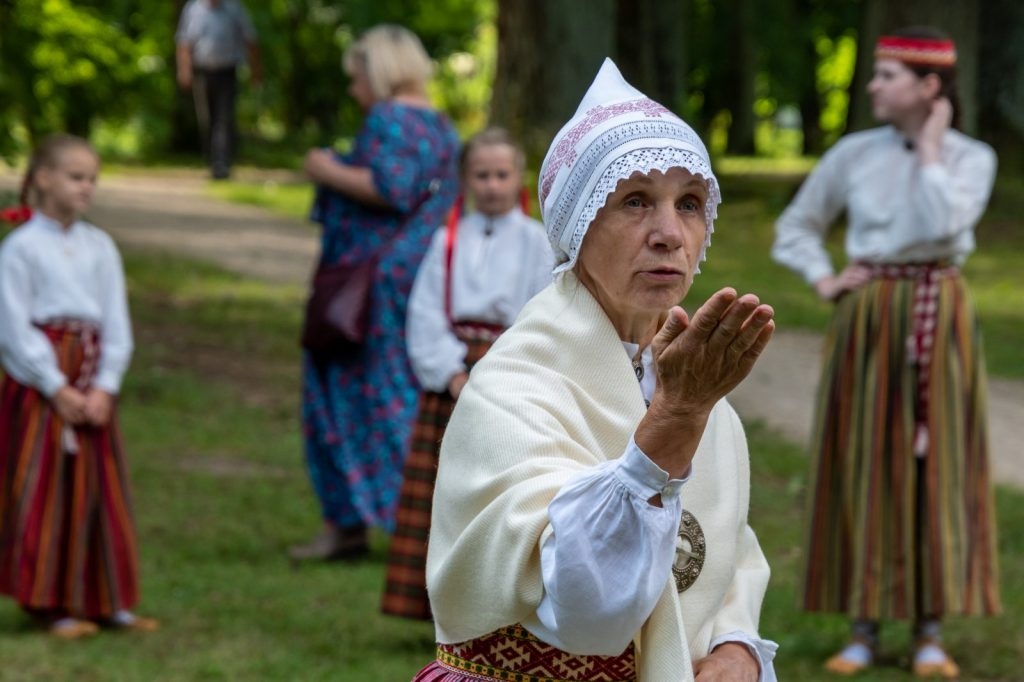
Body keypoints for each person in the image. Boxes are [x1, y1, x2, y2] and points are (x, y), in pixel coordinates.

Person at [414, 59, 778, 682]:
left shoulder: (695, 387)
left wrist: (737, 647)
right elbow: (588, 612)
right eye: (636, 201)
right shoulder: (514, 388)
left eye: (689, 204)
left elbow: (727, 548)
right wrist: (675, 420)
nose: (670, 233)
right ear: (575, 226)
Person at [772, 28, 1000, 679]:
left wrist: (931, 151)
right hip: (868, 313)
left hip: (939, 310)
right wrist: (823, 278)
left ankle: (930, 630)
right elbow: (797, 225)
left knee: (939, 463)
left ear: (930, 86)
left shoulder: (970, 158)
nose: (872, 86)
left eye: (887, 75)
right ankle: (863, 627)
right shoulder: (853, 153)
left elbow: (942, 227)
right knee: (864, 457)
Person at [288, 25, 460, 562]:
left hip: (366, 281)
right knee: (399, 391)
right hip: (412, 274)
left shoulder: (390, 118)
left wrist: (326, 169)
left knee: (345, 394)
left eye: (356, 75)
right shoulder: (440, 125)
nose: (352, 88)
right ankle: (402, 521)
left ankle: (354, 523)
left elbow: (390, 187)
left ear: (379, 70)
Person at [381, 128, 554, 620]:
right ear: (465, 179)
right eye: (482, 175)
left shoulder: (536, 241)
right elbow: (425, 313)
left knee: (504, 492)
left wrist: (503, 373)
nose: (493, 185)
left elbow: (542, 311)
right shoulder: (447, 240)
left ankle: (499, 603)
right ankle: (437, 605)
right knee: (446, 493)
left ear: (517, 176)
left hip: (510, 376)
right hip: (455, 378)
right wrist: (451, 373)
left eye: (502, 175)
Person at [0, 134, 158, 639]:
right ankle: (49, 602)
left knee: (99, 490)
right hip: (43, 385)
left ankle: (105, 597)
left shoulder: (99, 245)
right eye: (75, 176)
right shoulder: (21, 248)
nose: (87, 186)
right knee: (45, 490)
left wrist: (105, 386)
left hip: (91, 382)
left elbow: (116, 321)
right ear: (43, 178)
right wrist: (55, 386)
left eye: (92, 178)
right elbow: (12, 326)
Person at [175, 0, 262, 179]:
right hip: (202, 72)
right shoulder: (193, 9)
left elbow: (251, 41)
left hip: (227, 72)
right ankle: (212, 159)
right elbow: (184, 43)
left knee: (223, 118)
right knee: (207, 118)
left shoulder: (235, 8)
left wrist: (256, 73)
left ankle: (221, 164)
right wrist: (184, 70)